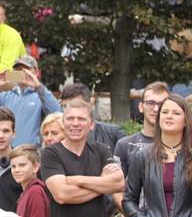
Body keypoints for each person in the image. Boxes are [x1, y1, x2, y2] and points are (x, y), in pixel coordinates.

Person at [40, 99, 125, 217]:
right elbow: (62, 195)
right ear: (63, 123)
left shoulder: (101, 150)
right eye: (70, 118)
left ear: (91, 125)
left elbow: (119, 183)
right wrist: (102, 183)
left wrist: (76, 180)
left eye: (81, 119)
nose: (75, 123)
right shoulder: (50, 154)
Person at [123, 94, 192, 217]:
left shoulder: (190, 156)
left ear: (186, 121)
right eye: (165, 112)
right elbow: (128, 199)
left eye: (176, 113)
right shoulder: (143, 157)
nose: (169, 116)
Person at [0, 55, 61, 146]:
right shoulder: (3, 97)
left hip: (31, 154)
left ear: (36, 72)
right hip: (6, 153)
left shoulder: (42, 96)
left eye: (25, 69)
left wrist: (38, 86)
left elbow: (57, 114)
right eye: (18, 70)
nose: (21, 73)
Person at [113, 81, 170, 212]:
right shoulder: (124, 144)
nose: (156, 109)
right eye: (150, 103)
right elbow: (116, 189)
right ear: (140, 106)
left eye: (161, 104)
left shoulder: (180, 146)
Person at [60, 82, 126, 153]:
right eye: (64, 106)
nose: (70, 110)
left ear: (90, 104)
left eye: (76, 105)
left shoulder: (113, 134)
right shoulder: (56, 133)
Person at [10, 144, 50, 217]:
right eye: (13, 166)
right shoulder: (26, 192)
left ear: (35, 167)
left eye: (22, 165)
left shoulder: (35, 191)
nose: (16, 170)